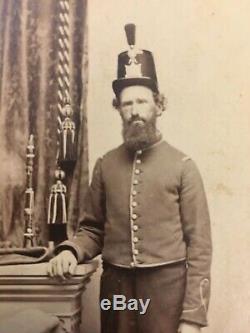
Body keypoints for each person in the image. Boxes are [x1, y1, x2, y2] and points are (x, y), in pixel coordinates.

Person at [47, 24, 212, 333]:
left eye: (142, 101)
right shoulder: (105, 165)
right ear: (118, 109)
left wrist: (192, 318)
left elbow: (200, 248)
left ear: (159, 105)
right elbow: (92, 229)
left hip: (166, 295)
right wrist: (70, 250)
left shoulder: (183, 166)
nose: (135, 111)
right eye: (127, 103)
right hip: (116, 291)